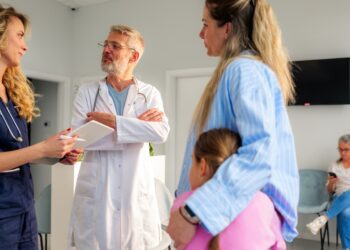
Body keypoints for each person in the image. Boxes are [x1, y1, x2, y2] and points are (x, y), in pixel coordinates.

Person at [166, 0, 299, 249]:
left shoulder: (243, 70)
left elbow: (259, 155)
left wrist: (193, 211)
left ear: (227, 29)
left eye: (205, 24)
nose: (200, 33)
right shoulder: (241, 71)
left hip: (229, 222)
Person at [68, 25, 170, 250]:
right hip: (97, 192)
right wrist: (137, 130)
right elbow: (80, 139)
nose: (106, 49)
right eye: (105, 44)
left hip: (135, 192)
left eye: (115, 46)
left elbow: (161, 133)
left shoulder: (149, 93)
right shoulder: (87, 92)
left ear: (133, 55)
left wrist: (113, 123)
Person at [0, 4, 78, 250]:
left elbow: (15, 154)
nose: (25, 46)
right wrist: (42, 149)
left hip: (24, 207)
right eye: (20, 36)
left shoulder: (11, 91)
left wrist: (53, 154)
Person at [172, 128, 286, 249]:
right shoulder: (263, 202)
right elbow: (278, 245)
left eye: (192, 161)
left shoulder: (186, 209)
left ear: (202, 167)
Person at [307, 134, 350, 249]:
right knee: (345, 213)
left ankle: (323, 218)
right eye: (340, 149)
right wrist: (331, 182)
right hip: (339, 198)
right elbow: (330, 191)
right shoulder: (334, 166)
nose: (343, 153)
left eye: (346, 149)